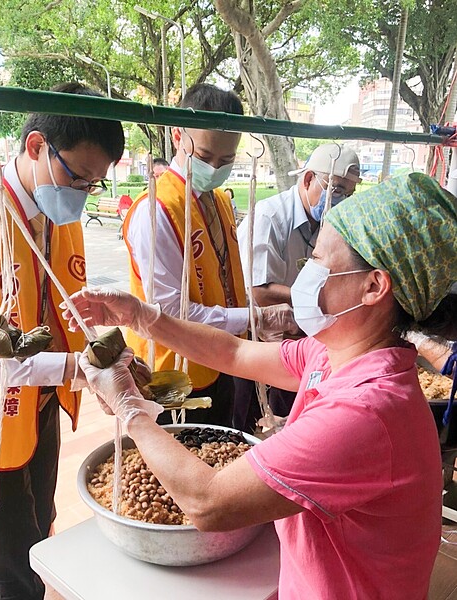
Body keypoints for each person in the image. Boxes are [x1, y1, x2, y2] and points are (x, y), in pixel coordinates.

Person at [67, 172, 456, 599]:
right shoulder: (334, 354)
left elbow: (208, 502)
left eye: (320, 263)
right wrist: (143, 317)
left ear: (373, 286)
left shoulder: (366, 413)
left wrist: (130, 409)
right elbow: (235, 354)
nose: (306, 274)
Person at [0, 82, 124, 600]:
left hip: (44, 405)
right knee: (14, 557)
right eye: (79, 177)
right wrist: (75, 368)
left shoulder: (61, 216)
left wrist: (108, 353)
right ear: (35, 146)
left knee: (43, 518)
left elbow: (70, 311)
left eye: (95, 184)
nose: (83, 193)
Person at [122, 83, 292, 427]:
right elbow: (168, 312)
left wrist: (253, 325)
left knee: (225, 452)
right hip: (174, 375)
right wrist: (253, 318)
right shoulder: (156, 210)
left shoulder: (220, 201)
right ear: (177, 137)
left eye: (226, 160)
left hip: (223, 359)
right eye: (204, 157)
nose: (215, 168)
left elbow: (228, 280)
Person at [235, 144, 361, 430]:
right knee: (245, 416)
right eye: (337, 190)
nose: (340, 201)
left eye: (348, 195)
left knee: (293, 415)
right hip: (259, 336)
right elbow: (258, 290)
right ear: (308, 180)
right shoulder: (269, 218)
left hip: (301, 338)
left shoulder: (328, 224)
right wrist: (313, 297)